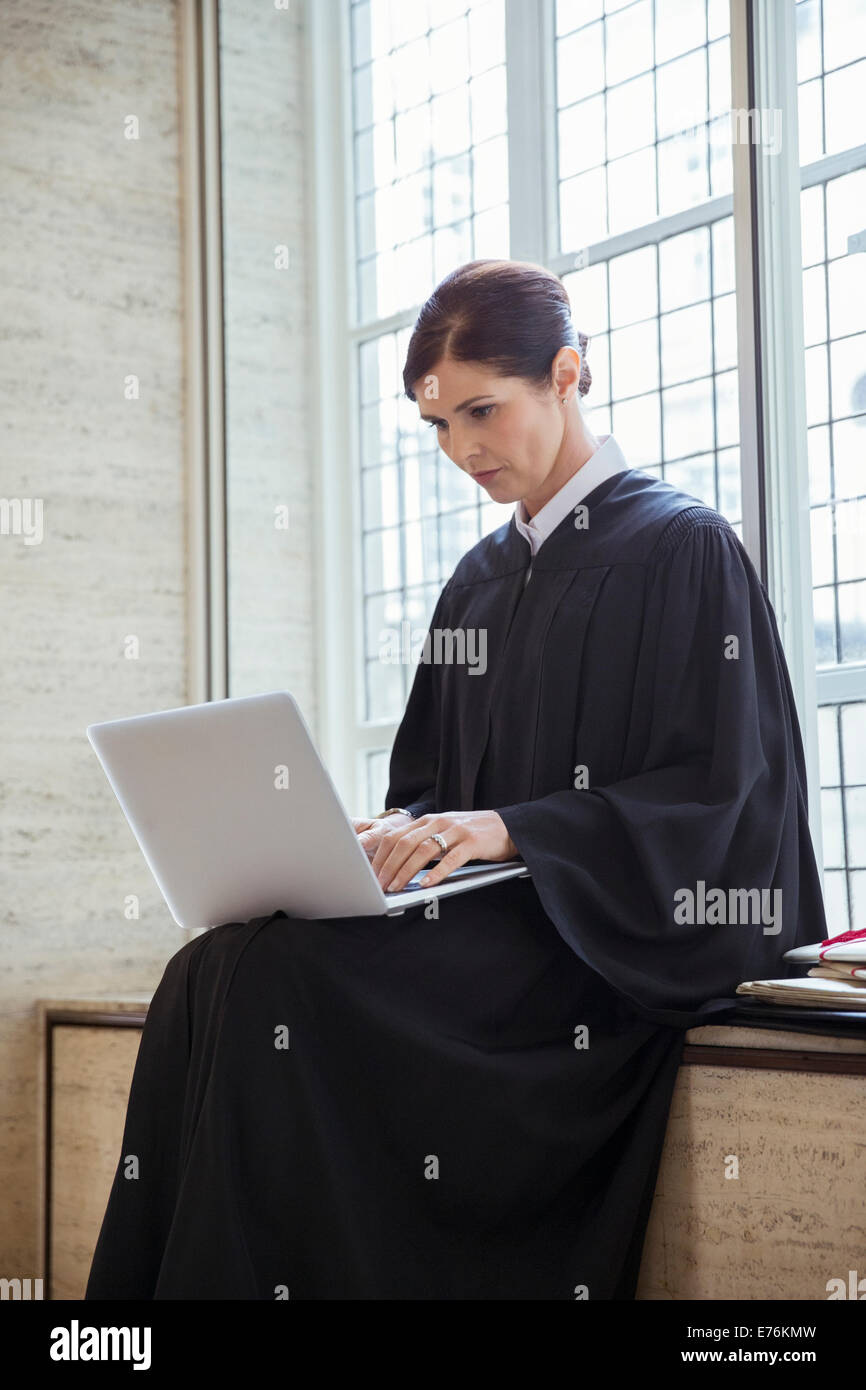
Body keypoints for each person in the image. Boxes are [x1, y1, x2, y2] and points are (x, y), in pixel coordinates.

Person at [85, 259, 826, 1301]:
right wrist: (396, 832)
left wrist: (516, 831)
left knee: (276, 979)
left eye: (482, 410)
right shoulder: (475, 580)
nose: (461, 450)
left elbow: (726, 801)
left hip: (593, 954)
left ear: (567, 372)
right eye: (436, 426)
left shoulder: (680, 548)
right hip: (483, 929)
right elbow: (436, 783)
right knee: (212, 965)